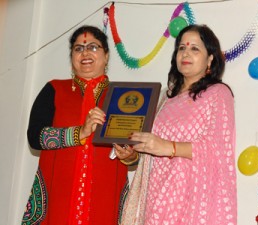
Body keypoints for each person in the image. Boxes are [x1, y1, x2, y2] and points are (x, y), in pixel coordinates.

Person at [116, 24, 237, 225]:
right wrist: (132, 155)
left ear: (210, 59)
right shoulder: (165, 97)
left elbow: (217, 148)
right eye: (181, 48)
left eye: (194, 48)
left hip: (192, 197)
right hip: (157, 194)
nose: (185, 53)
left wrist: (168, 147)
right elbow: (152, 147)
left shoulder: (218, 94)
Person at [22, 25, 137, 225]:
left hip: (105, 195)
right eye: (78, 48)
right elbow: (35, 137)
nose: (85, 53)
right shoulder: (55, 89)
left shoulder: (123, 96)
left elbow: (134, 150)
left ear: (106, 55)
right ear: (72, 56)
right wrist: (79, 133)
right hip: (59, 194)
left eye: (93, 47)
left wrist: (130, 156)